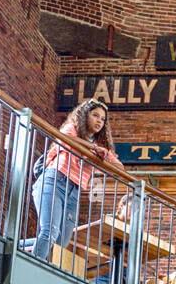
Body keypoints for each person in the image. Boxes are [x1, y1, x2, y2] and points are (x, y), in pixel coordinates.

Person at [22, 99, 119, 264]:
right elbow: (66, 139)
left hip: (74, 192)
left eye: (103, 119)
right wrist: (94, 150)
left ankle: (17, 246)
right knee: (49, 232)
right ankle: (31, 268)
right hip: (55, 181)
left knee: (61, 243)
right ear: (84, 115)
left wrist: (105, 158)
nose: (99, 121)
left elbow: (119, 168)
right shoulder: (72, 129)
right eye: (95, 115)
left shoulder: (99, 146)